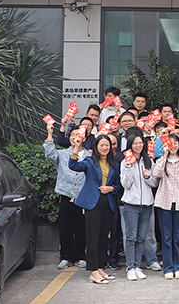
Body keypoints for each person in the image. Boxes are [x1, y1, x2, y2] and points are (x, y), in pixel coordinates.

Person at [68, 134, 121, 284]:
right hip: (93, 202)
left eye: (107, 145)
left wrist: (111, 189)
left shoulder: (114, 164)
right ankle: (93, 270)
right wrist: (76, 149)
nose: (104, 148)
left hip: (108, 202)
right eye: (101, 145)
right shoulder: (90, 161)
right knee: (93, 237)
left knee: (104, 237)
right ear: (96, 147)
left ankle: (99, 267)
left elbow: (119, 185)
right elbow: (73, 166)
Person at [44, 119, 88, 270]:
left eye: (78, 134)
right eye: (72, 135)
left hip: (82, 197)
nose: (75, 137)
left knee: (81, 228)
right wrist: (50, 133)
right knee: (65, 228)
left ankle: (80, 256)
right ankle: (65, 257)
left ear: (84, 138)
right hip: (66, 195)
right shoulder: (62, 154)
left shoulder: (89, 156)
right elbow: (50, 154)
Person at [151, 132, 179, 280]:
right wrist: (164, 155)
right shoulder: (162, 161)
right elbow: (156, 173)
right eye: (170, 143)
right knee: (166, 237)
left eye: (175, 143)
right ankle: (168, 268)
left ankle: (178, 267)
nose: (173, 146)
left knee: (178, 237)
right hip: (164, 203)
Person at [120, 132, 159, 280]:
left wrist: (147, 177)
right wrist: (129, 168)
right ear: (130, 145)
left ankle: (137, 266)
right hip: (131, 204)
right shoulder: (125, 162)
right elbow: (125, 184)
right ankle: (130, 267)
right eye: (135, 143)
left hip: (147, 204)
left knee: (142, 237)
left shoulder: (149, 161)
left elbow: (155, 183)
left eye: (140, 143)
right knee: (131, 237)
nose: (138, 145)